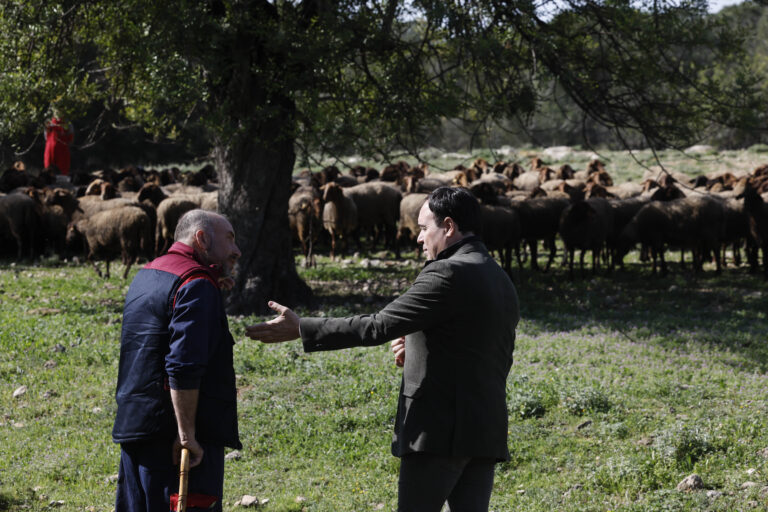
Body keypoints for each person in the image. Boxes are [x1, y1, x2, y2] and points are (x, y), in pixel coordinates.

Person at [246, 186, 520, 512]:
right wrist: (418, 344)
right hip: (485, 429)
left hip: (439, 432)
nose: (418, 238)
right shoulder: (498, 276)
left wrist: (302, 327)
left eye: (423, 228)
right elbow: (482, 348)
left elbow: (377, 325)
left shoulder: (447, 272)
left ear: (448, 227)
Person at [112, 209, 242, 512]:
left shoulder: (149, 272)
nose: (236, 250)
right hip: (174, 440)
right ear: (202, 239)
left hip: (137, 428)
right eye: (229, 239)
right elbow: (183, 366)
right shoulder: (195, 284)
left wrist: (210, 284)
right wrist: (187, 435)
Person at [43, 108, 74, 176]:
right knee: (62, 172)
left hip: (51, 151)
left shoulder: (48, 123)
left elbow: (46, 137)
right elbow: (70, 139)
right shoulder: (67, 123)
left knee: (49, 172)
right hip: (62, 151)